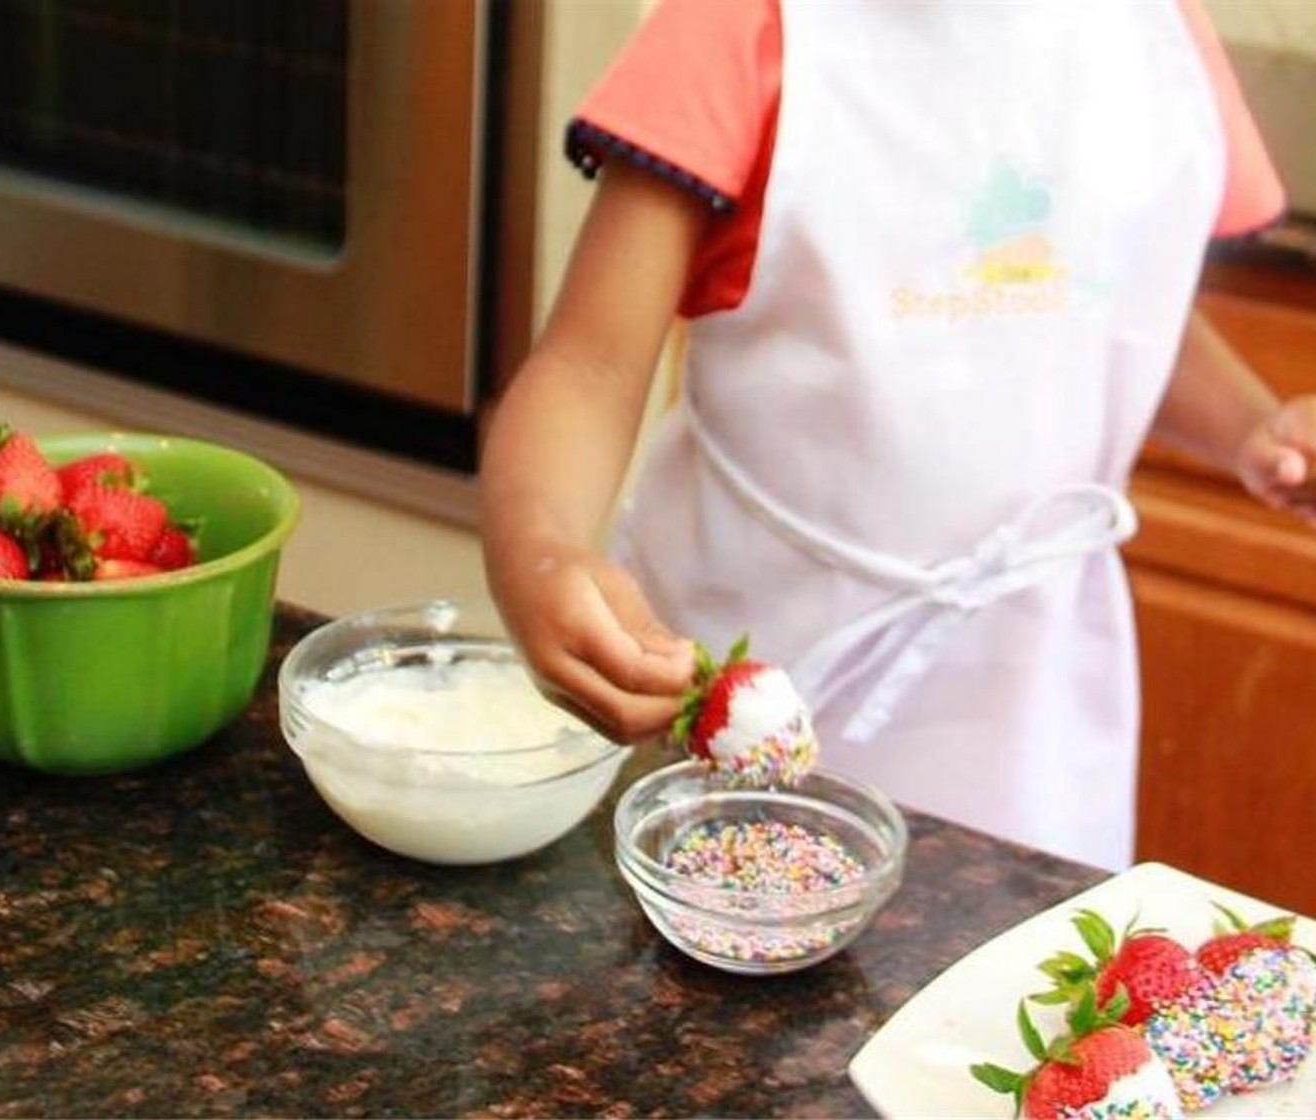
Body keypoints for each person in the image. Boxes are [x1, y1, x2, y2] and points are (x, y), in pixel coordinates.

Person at [478, 0, 1314, 870]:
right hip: (751, 665)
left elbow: (1109, 306)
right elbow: (590, 369)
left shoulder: (1160, 35)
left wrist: (1257, 428)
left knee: (1006, 982)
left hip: (1037, 697)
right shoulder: (742, 22)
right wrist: (538, 551)